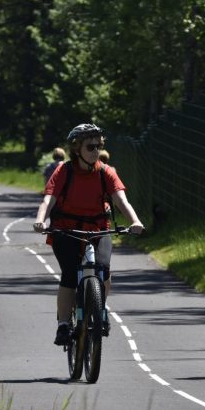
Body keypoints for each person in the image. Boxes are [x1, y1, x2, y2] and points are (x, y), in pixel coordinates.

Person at [33, 123, 144, 346]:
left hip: (97, 228)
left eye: (98, 146)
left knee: (103, 268)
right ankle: (64, 324)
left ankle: (99, 309)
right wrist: (40, 219)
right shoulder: (64, 171)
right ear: (77, 150)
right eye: (90, 147)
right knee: (70, 274)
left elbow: (121, 200)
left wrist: (135, 221)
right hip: (66, 228)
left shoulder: (106, 172)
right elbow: (49, 199)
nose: (95, 151)